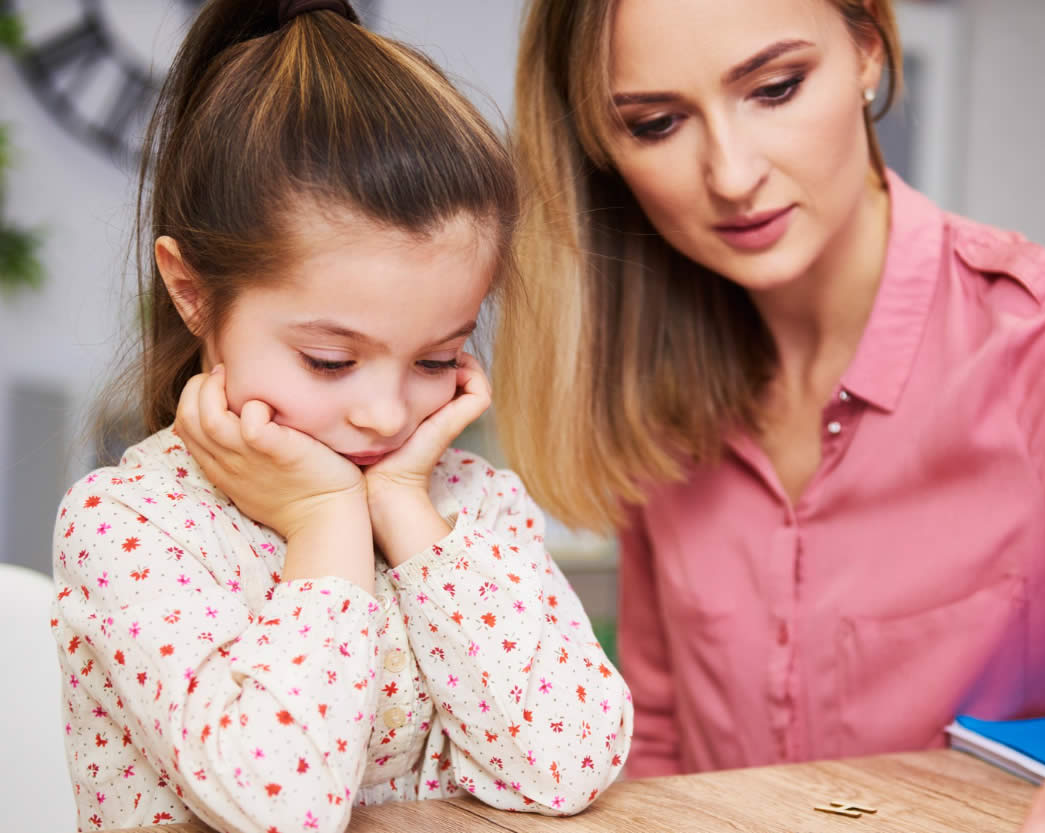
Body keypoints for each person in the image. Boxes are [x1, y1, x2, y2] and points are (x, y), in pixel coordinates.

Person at [497, 0, 1045, 830]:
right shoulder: (649, 395)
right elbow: (659, 743)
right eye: (656, 123)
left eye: (776, 87)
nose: (731, 173)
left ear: (869, 49)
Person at [49, 2, 631, 831]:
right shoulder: (133, 530)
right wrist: (326, 521)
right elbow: (277, 807)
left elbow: (567, 767)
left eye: (436, 358)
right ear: (193, 292)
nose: (385, 412)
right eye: (330, 360)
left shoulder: (469, 509)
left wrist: (405, 511)